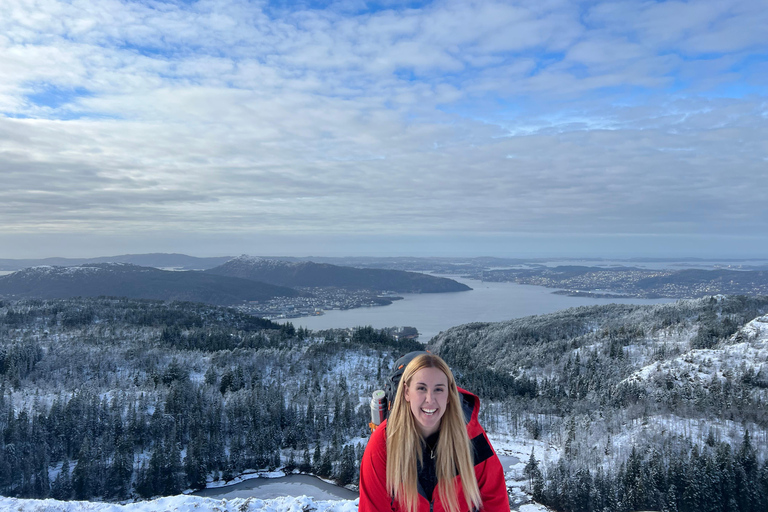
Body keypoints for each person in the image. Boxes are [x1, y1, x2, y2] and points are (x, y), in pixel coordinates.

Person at [359, 353, 510, 512]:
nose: (430, 399)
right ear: (406, 392)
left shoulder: (471, 436)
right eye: (421, 388)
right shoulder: (383, 443)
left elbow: (495, 501)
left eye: (438, 389)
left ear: (449, 395)